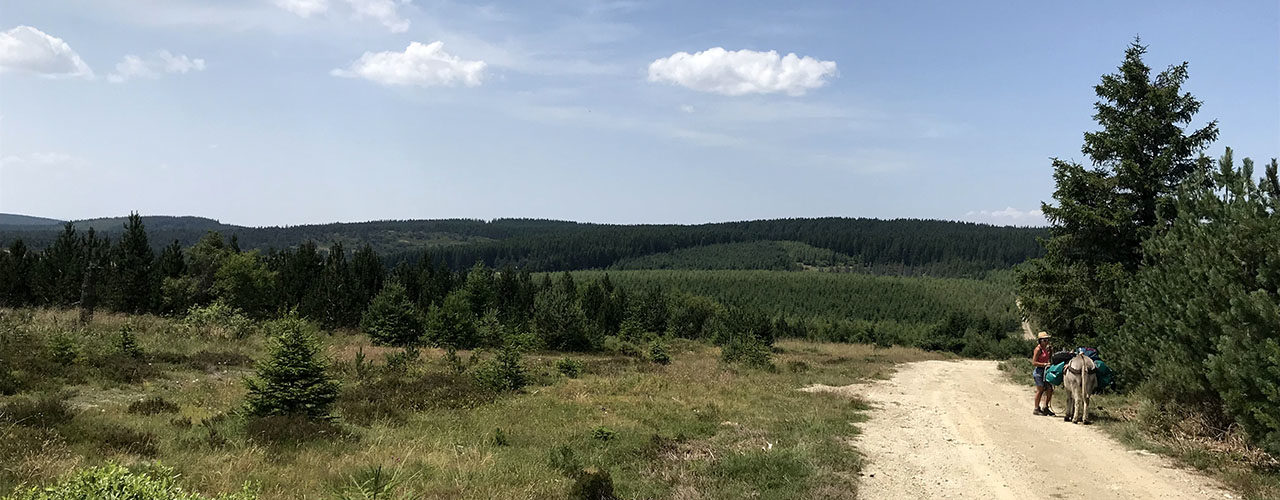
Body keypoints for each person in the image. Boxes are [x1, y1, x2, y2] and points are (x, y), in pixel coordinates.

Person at [1031, 331, 1056, 416]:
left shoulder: (1046, 349)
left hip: (1046, 371)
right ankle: (1036, 408)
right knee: (1040, 390)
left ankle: (1045, 407)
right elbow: (1034, 362)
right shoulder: (1038, 349)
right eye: (1044, 340)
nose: (1046, 342)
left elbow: (1049, 359)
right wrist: (1044, 364)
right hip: (1039, 371)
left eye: (1047, 340)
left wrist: (1050, 353)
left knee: (1049, 389)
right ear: (1040, 341)